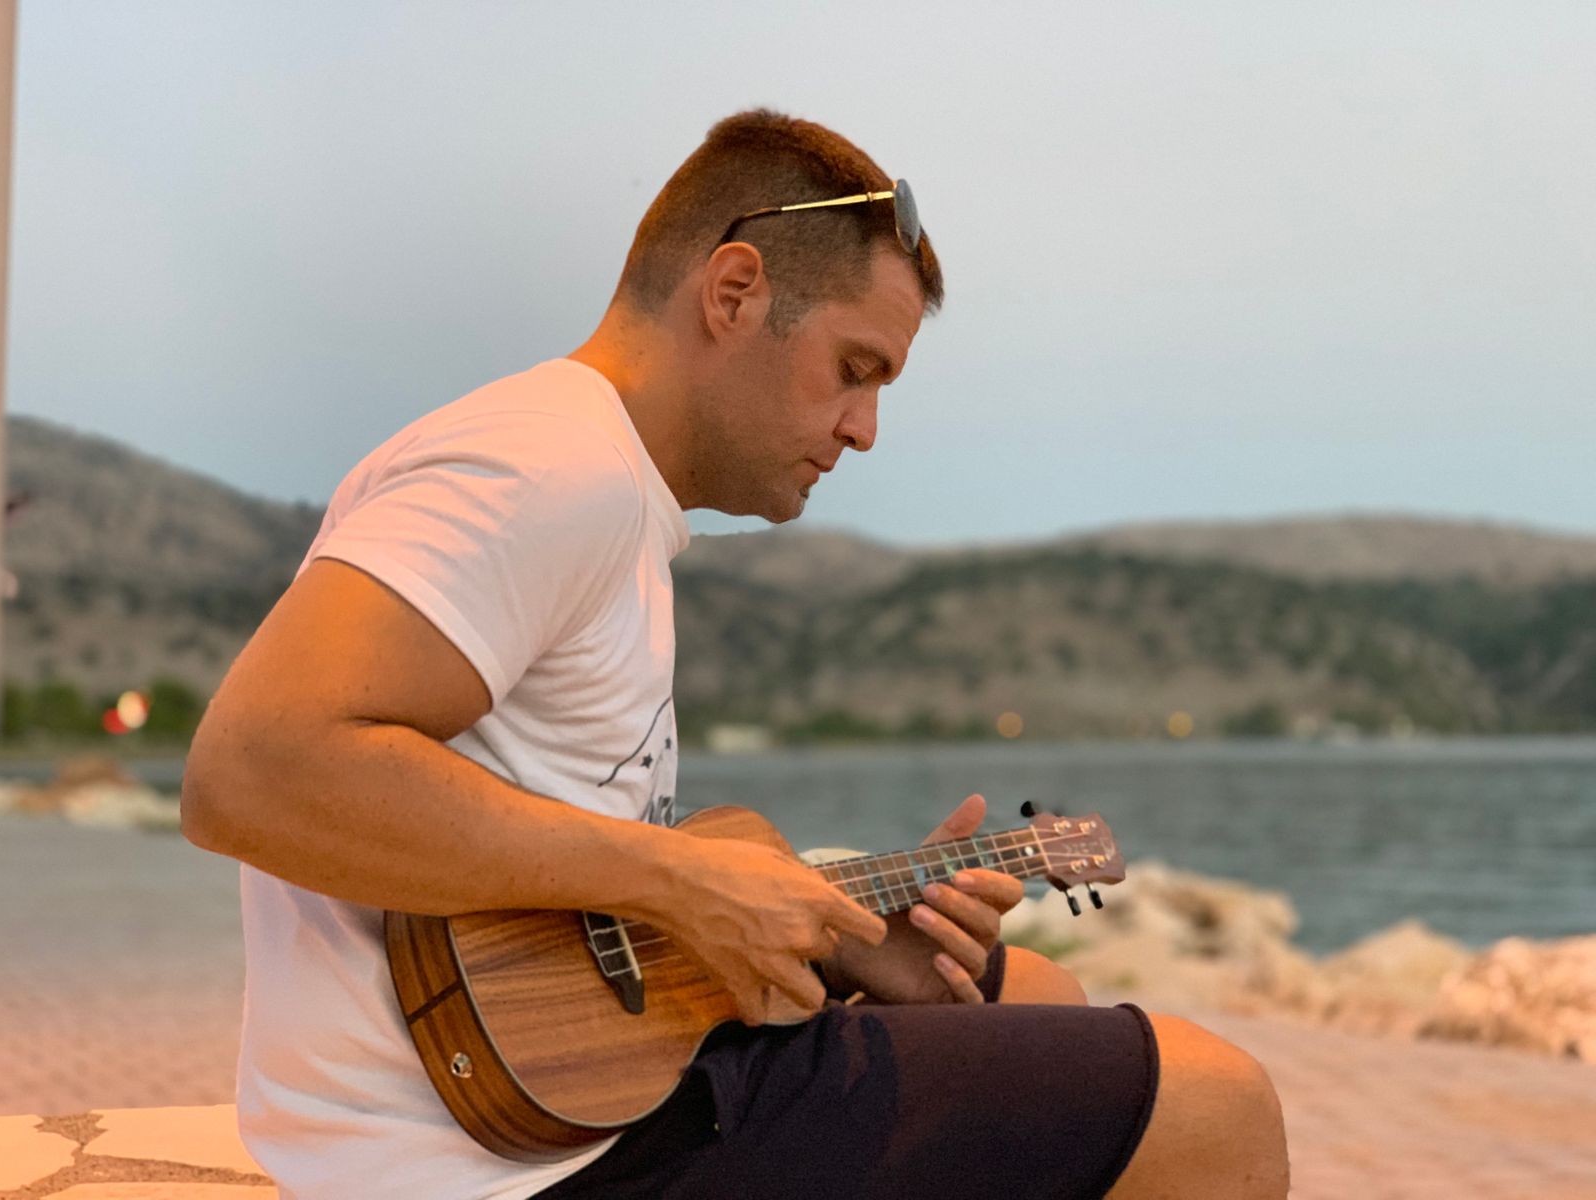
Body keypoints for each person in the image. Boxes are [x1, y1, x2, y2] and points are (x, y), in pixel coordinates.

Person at [181, 108, 1289, 1200]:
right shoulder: (547, 468)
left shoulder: (606, 490)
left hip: (539, 1097)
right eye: (853, 367)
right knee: (1215, 1102)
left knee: (1033, 986)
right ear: (733, 292)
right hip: (502, 1161)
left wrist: (835, 940)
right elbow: (253, 769)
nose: (864, 429)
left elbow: (577, 894)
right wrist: (682, 879)